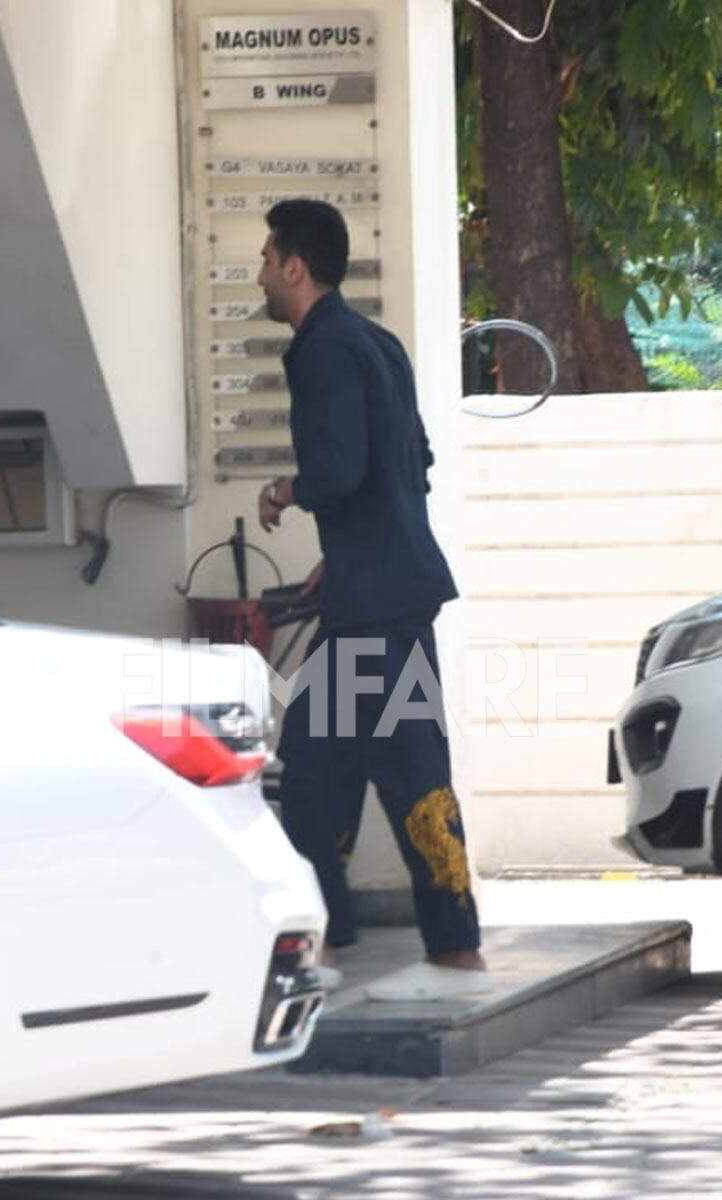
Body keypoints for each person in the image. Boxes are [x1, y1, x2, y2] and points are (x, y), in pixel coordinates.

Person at [256, 199, 491, 998]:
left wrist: (288, 490)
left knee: (362, 769)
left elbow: (342, 473)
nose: (260, 273)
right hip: (388, 592)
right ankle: (367, 938)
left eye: (265, 259)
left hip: (372, 610)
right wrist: (345, 555)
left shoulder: (322, 350)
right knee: (339, 766)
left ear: (294, 267)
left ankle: (338, 941)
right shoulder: (377, 343)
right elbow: (411, 463)